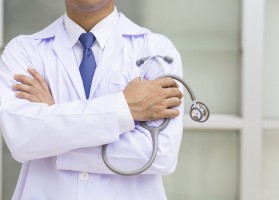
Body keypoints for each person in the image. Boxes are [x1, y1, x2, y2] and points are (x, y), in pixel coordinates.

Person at [0, 0, 184, 199]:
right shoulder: (23, 51)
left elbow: (160, 156)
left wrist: (53, 127)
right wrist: (124, 107)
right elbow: (21, 140)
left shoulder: (157, 50)